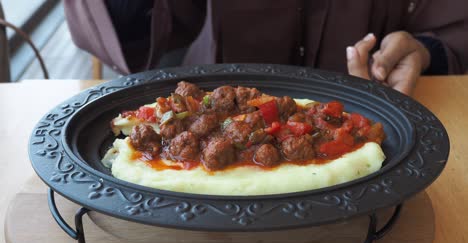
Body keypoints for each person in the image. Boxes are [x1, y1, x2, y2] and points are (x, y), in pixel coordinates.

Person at [64, 0, 468, 95]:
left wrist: (424, 50)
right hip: (210, 108)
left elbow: (450, 22)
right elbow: (160, 18)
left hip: (373, 108)